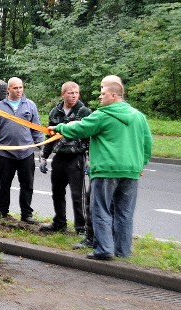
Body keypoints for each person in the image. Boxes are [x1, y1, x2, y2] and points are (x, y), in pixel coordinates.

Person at [50, 75, 152, 260]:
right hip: (130, 172)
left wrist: (59, 129)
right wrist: (141, 165)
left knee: (101, 210)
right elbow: (147, 144)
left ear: (113, 96)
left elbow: (79, 129)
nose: (100, 96)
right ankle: (123, 250)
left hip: (106, 171)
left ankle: (104, 249)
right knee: (124, 213)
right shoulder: (138, 117)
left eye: (103, 93)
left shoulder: (103, 115)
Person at [0, 77, 44, 224]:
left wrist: (42, 148)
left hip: (26, 153)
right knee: (4, 184)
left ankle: (26, 214)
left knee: (27, 184)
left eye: (21, 87)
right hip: (5, 153)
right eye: (15, 88)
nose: (19, 91)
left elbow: (36, 127)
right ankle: (2, 212)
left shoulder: (30, 105)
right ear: (8, 89)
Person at [38, 82, 92, 243]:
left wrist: (88, 158)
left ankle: (81, 227)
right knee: (57, 192)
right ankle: (59, 223)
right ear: (63, 94)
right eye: (70, 93)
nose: (74, 95)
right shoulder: (55, 112)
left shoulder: (84, 112)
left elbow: (90, 136)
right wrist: (43, 156)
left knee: (78, 195)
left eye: (76, 93)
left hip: (76, 157)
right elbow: (50, 136)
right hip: (60, 157)